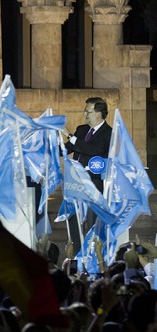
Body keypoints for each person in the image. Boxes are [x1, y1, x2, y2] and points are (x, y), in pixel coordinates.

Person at [62, 97, 112, 250]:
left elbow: (93, 150)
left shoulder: (109, 133)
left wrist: (71, 136)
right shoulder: (82, 130)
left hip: (94, 186)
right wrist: (49, 142)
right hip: (75, 185)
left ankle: (94, 254)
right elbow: (66, 149)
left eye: (88, 111)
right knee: (74, 221)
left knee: (92, 223)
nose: (85, 114)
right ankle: (77, 252)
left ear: (99, 114)